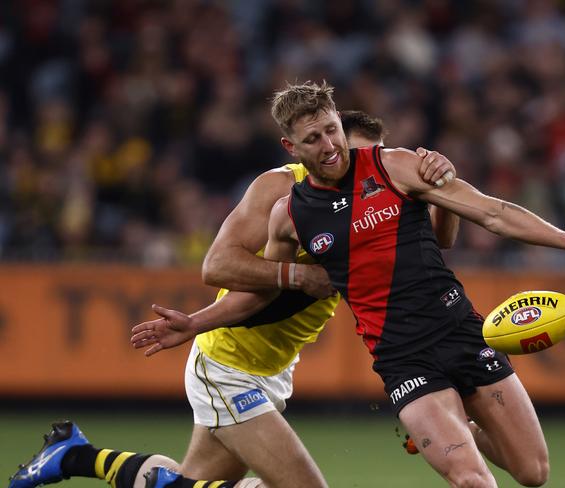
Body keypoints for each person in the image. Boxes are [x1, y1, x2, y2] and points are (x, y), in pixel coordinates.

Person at [132, 81, 565, 488]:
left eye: (331, 131)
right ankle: (438, 428)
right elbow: (263, 296)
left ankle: (463, 429)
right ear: (291, 146)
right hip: (403, 357)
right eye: (313, 139)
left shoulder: (397, 166)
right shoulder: (288, 214)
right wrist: (194, 323)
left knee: (533, 473)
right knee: (474, 482)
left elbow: (494, 213)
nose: (328, 146)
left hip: (463, 331)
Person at [10, 111, 458, 488]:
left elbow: (436, 245)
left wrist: (439, 191)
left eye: (373, 159)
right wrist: (300, 275)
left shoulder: (377, 195)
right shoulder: (283, 192)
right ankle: (73, 456)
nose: (364, 168)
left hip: (274, 368)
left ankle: (74, 455)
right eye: (356, 156)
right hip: (228, 364)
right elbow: (216, 267)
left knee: (187, 479)